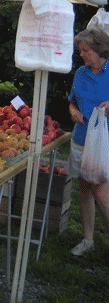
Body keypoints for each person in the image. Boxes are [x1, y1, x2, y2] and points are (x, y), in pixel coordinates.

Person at [67, 27, 109, 256]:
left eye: (85, 50)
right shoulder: (81, 73)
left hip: (105, 142)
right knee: (84, 189)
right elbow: (72, 101)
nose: (81, 54)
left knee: (101, 194)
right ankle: (88, 239)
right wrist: (73, 111)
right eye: (80, 50)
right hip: (82, 138)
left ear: (99, 50)